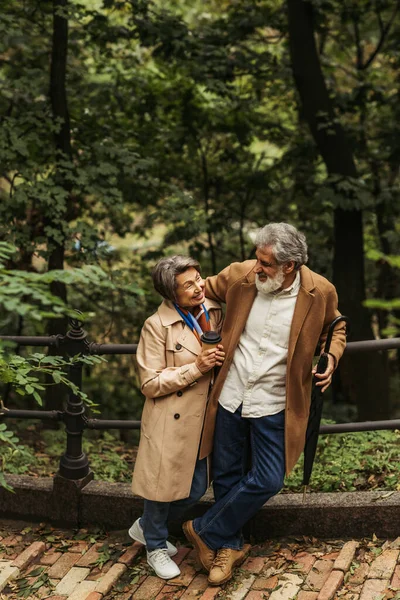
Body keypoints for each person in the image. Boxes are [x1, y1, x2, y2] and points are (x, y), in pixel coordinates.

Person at [183, 222, 347, 586]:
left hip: (276, 401)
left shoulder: (320, 291)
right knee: (226, 475)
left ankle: (203, 529)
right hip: (231, 393)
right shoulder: (241, 275)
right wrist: (190, 326)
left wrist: (332, 358)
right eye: (257, 259)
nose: (257, 267)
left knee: (269, 478)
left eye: (266, 263)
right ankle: (227, 547)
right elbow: (196, 292)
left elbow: (337, 326)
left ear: (290, 266)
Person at [130, 255, 225, 580]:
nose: (199, 287)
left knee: (196, 487)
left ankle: (145, 527)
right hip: (169, 421)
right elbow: (149, 383)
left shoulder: (213, 309)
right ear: (172, 292)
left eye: (199, 278)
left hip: (204, 418)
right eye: (188, 284)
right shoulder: (156, 326)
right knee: (162, 488)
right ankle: (155, 546)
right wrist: (196, 368)